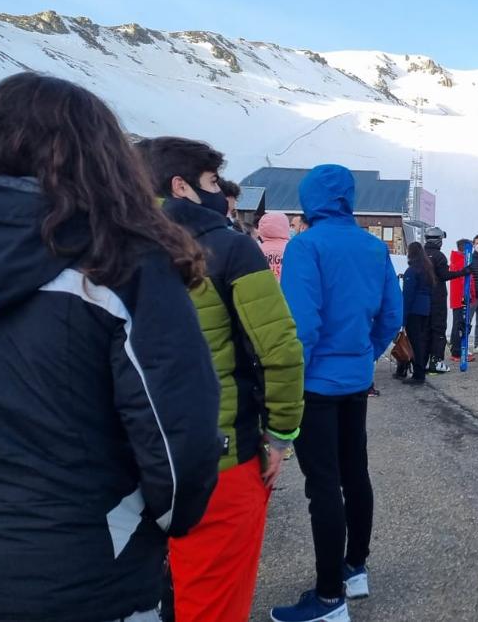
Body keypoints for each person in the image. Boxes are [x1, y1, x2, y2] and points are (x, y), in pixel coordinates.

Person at [0, 75, 220, 622]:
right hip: (86, 572)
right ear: (103, 159)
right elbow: (177, 445)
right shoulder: (119, 263)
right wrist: (166, 521)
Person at [140, 137, 305, 622]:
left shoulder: (101, 241)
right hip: (219, 457)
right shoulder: (229, 248)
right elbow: (280, 349)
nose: (219, 193)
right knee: (212, 604)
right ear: (181, 186)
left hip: (129, 458)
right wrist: (280, 434)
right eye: (211, 182)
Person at [274, 164, 403, 622]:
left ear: (310, 199)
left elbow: (302, 326)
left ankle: (328, 598)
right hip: (354, 381)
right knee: (355, 473)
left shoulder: (306, 245)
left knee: (322, 485)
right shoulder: (373, 246)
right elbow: (392, 312)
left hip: (315, 384)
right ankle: (354, 567)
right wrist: (365, 354)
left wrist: (291, 380)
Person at [423, 226, 469, 374]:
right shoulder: (439, 256)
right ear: (438, 241)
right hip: (437, 298)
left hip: (423, 298)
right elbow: (444, 275)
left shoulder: (421, 254)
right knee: (438, 329)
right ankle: (436, 361)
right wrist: (463, 272)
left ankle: (423, 360)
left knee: (425, 330)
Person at [401, 241, 435, 384]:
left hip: (414, 310)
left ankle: (418, 374)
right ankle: (419, 370)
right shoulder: (427, 269)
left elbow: (407, 296)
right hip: (425, 310)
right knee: (420, 341)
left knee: (415, 343)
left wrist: (403, 318)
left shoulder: (411, 271)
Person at [448, 239, 470, 362]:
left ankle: (455, 349)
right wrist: (468, 295)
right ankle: (457, 352)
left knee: (457, 323)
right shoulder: (461, 261)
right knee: (459, 324)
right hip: (461, 297)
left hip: (457, 297)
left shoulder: (456, 260)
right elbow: (465, 281)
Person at [259, 212, 292, 280]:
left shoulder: (257, 249)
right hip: (285, 288)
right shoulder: (291, 248)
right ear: (286, 226)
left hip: (263, 288)